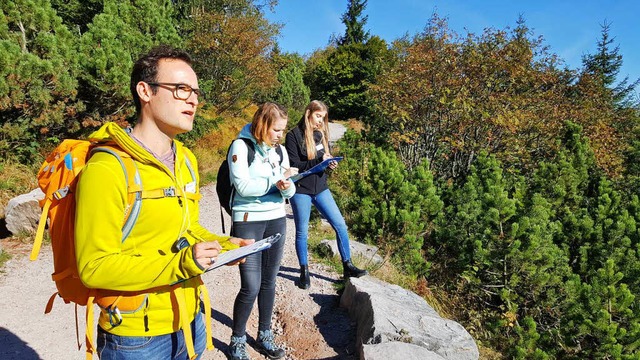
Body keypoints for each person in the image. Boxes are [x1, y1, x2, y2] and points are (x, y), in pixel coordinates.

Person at [75, 45, 250, 360]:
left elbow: (188, 227)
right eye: (181, 89)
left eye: (195, 91)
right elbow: (93, 267)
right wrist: (182, 263)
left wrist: (224, 245)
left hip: (190, 317)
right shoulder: (107, 168)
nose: (194, 99)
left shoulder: (185, 160)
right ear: (145, 91)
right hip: (137, 339)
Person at [227, 102, 297, 360]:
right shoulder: (240, 146)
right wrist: (274, 182)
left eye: (283, 130)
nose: (280, 135)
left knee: (269, 281)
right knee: (251, 285)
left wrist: (288, 186)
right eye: (276, 129)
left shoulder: (279, 151)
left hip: (277, 219)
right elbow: (243, 187)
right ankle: (237, 339)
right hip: (248, 220)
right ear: (263, 125)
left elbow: (289, 190)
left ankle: (265, 334)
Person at [284, 100, 367, 290]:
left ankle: (348, 266)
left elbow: (323, 159)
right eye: (318, 116)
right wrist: (318, 161)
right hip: (301, 190)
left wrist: (329, 164)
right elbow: (294, 167)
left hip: (321, 188)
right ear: (308, 113)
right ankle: (304, 272)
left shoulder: (320, 134)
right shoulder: (293, 136)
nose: (320, 121)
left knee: (340, 224)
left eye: (323, 117)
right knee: (302, 231)